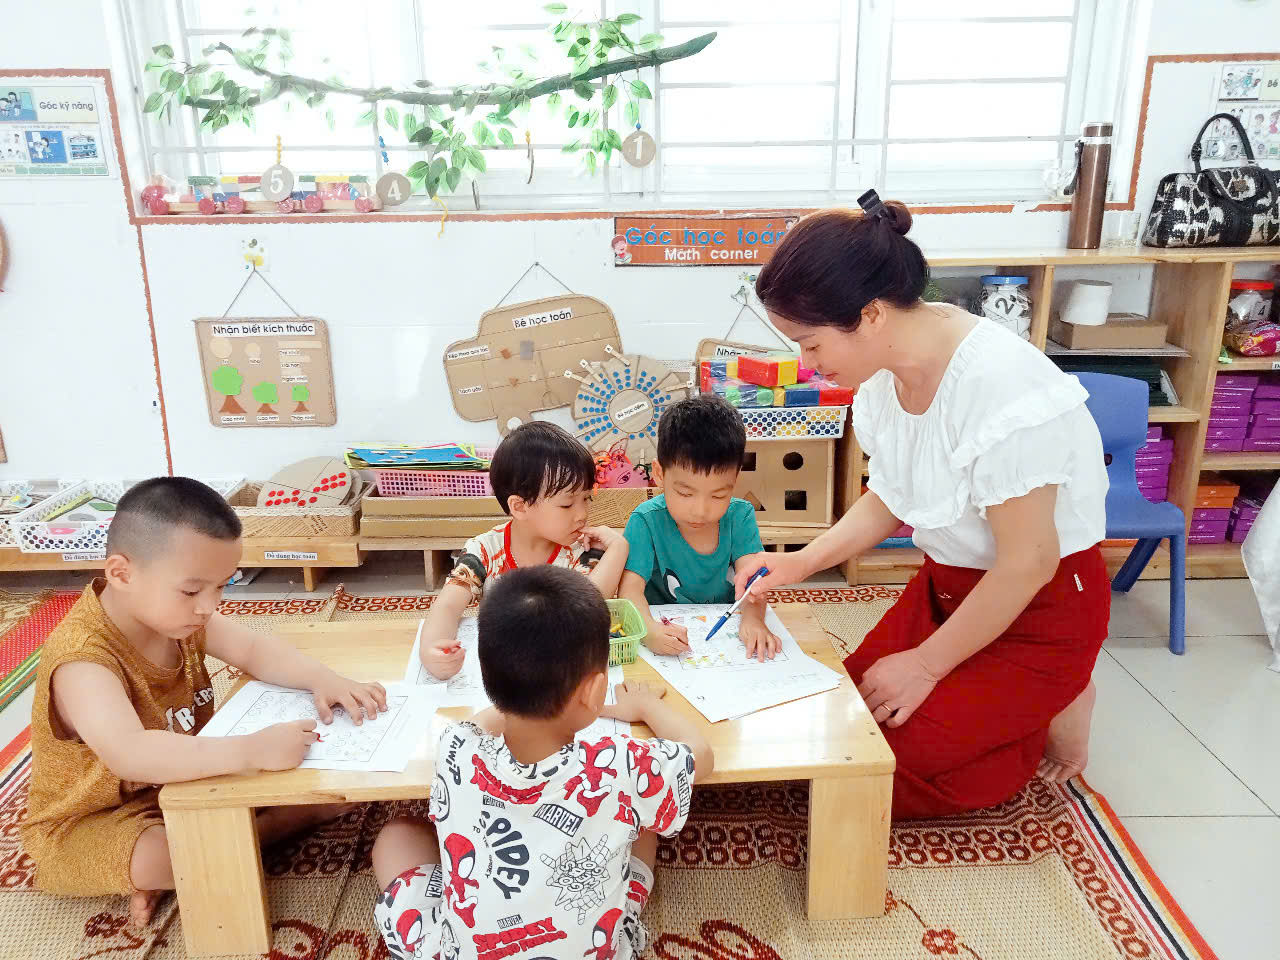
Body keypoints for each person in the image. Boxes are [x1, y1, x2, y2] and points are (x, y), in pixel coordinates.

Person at [734, 194, 1110, 819]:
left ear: (871, 314)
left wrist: (927, 666)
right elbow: (892, 494)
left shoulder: (998, 386)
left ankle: (1059, 697)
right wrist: (799, 562)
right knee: (842, 720)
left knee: (878, 770)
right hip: (950, 591)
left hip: (1039, 608)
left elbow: (1028, 564)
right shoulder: (887, 375)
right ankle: (1027, 703)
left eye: (811, 344)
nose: (806, 364)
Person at [21, 477, 388, 926]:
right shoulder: (84, 659)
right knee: (170, 855)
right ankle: (283, 824)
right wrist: (250, 751)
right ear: (121, 573)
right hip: (94, 819)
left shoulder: (174, 616)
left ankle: (187, 862)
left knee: (231, 810)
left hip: (181, 780)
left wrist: (323, 679)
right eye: (192, 590)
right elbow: (130, 754)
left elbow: (253, 649)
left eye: (222, 586)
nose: (208, 606)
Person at [371, 565, 712, 960]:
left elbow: (478, 723)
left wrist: (518, 695)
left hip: (463, 952)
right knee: (642, 823)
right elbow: (701, 754)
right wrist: (646, 706)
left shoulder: (456, 745)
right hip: (594, 949)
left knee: (396, 834)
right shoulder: (622, 767)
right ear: (595, 691)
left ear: (487, 677)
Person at [417, 422, 630, 679]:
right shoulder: (484, 551)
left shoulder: (581, 549)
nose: (582, 514)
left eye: (587, 498)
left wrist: (618, 547)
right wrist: (432, 649)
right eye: (567, 504)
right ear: (519, 507)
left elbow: (589, 608)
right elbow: (448, 607)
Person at [620, 395, 779, 661]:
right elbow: (629, 590)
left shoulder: (740, 516)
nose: (700, 511)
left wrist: (753, 620)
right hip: (665, 632)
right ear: (659, 474)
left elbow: (753, 581)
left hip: (724, 635)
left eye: (718, 495)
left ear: (735, 479)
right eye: (685, 493)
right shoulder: (645, 521)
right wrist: (647, 630)